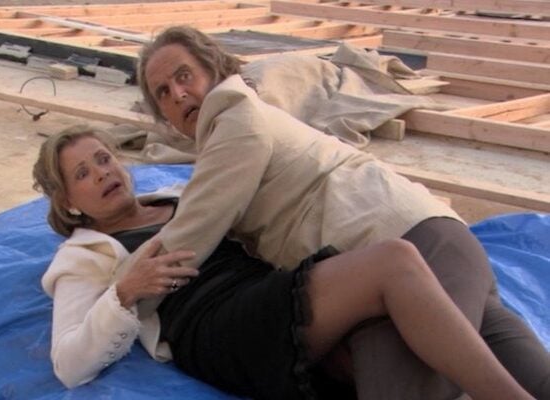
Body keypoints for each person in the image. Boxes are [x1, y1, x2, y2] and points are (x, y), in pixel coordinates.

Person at [137, 26, 550, 400]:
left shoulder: (235, 120)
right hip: (440, 250)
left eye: (184, 75)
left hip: (414, 255)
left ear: (213, 69)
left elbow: (188, 239)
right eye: (163, 93)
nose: (178, 93)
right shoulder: (238, 126)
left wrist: (119, 296)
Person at [34, 126, 535, 400]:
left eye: (103, 158)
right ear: (69, 202)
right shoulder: (84, 255)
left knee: (404, 338)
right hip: (214, 326)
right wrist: (126, 292)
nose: (102, 173)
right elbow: (69, 365)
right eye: (82, 173)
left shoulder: (175, 195)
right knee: (395, 262)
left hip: (270, 296)